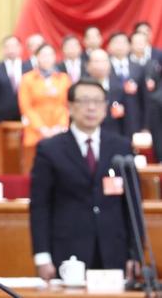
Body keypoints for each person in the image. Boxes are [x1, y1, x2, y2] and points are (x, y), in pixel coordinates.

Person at [30, 78, 140, 281]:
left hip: (114, 251)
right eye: (84, 101)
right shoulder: (49, 149)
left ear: (105, 108)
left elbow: (133, 205)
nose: (91, 107)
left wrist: (135, 253)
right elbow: (40, 206)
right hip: (67, 251)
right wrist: (42, 256)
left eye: (98, 101)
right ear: (70, 107)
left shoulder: (122, 148)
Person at [18, 43, 71, 163]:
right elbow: (26, 107)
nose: (47, 58)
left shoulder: (64, 79)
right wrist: (42, 129)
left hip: (59, 127)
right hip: (35, 128)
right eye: (43, 55)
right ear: (36, 58)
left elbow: (67, 106)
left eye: (50, 55)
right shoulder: (27, 79)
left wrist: (59, 127)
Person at [107, 32, 146, 139]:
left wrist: (146, 125)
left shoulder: (139, 68)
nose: (119, 46)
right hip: (110, 121)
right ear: (109, 47)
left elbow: (144, 98)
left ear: (129, 46)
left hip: (134, 120)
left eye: (123, 43)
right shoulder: (104, 67)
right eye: (116, 43)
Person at [0, 35, 27, 127]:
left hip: (25, 116)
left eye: (14, 46)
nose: (11, 50)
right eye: (8, 47)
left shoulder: (29, 68)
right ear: (3, 50)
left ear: (20, 48)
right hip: (1, 118)